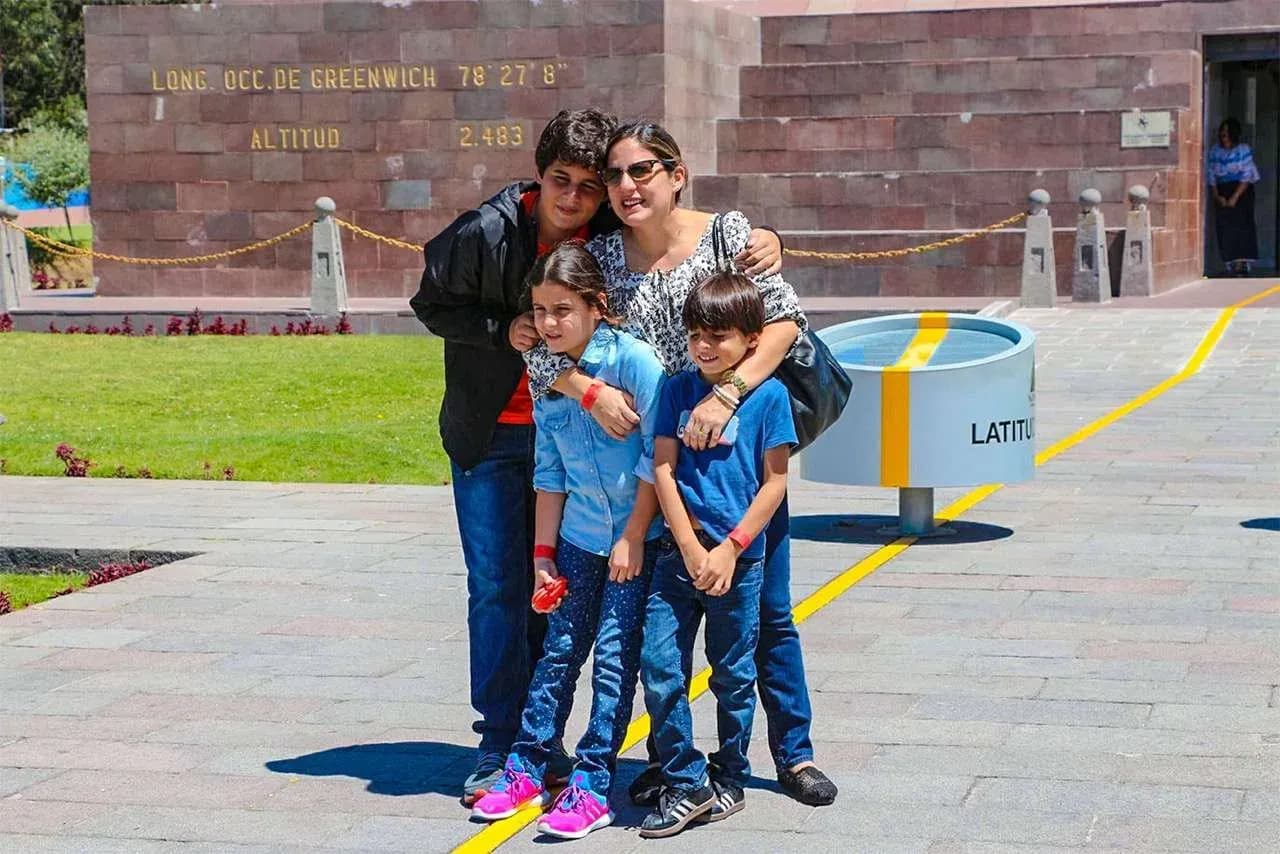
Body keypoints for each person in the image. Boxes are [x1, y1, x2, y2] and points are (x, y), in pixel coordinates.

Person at [411, 108, 780, 805]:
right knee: (497, 590)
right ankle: (502, 745)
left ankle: (562, 749)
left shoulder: (607, 229)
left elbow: (675, 220)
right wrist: (505, 329)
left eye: (591, 184)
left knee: (564, 606)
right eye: (562, 181)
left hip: (585, 453)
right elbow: (430, 303)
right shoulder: (487, 230)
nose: (577, 197)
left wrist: (764, 239)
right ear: (537, 176)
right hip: (492, 433)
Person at [521, 121, 838, 808]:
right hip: (652, 469)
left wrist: (727, 395)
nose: (626, 186)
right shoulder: (599, 256)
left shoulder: (728, 236)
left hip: (738, 464)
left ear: (677, 174)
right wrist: (588, 388)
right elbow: (543, 350)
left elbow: (786, 322)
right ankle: (674, 760)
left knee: (767, 614)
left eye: (642, 170)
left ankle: (794, 753)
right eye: (615, 174)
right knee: (662, 630)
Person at [470, 243, 668, 840]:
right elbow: (550, 474)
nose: (549, 323)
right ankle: (527, 766)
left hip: (635, 543)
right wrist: (542, 556)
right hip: (578, 542)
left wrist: (634, 536)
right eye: (540, 310)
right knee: (558, 652)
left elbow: (656, 458)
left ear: (596, 306)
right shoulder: (546, 374)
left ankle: (593, 784)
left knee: (613, 660)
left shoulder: (635, 362)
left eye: (563, 310)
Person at [638, 272, 796, 837]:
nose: (703, 346)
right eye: (695, 335)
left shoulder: (770, 397)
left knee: (732, 674)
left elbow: (775, 483)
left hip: (738, 562)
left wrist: (730, 549)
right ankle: (685, 778)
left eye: (718, 336)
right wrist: (688, 545)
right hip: (676, 556)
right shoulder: (677, 390)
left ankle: (731, 773)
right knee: (659, 665)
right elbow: (662, 467)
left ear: (751, 340)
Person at [1207, 117, 1261, 277]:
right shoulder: (1215, 151)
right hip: (1223, 190)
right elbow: (1211, 174)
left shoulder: (1243, 150)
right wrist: (1217, 196)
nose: (1224, 137)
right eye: (1222, 133)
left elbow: (1247, 175)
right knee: (1225, 227)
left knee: (1242, 226)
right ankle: (1228, 262)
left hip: (1241, 191)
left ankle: (1242, 263)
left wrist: (1234, 198)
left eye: (1227, 133)